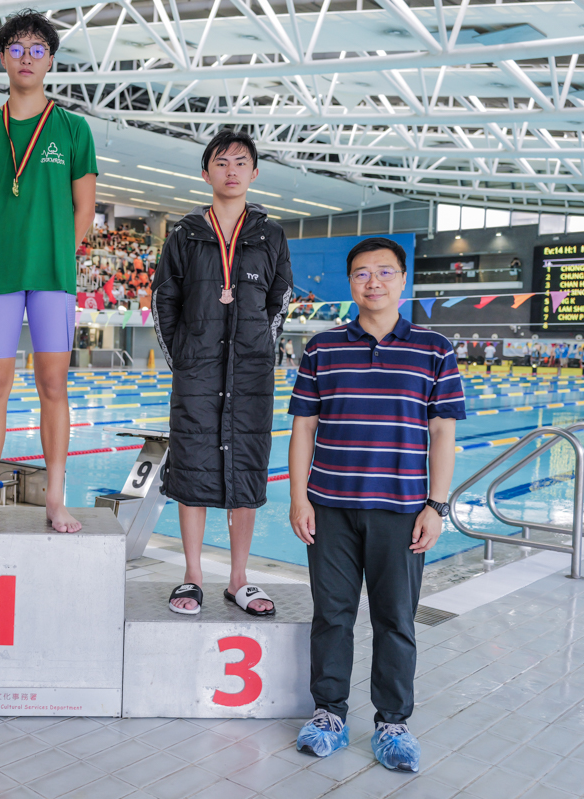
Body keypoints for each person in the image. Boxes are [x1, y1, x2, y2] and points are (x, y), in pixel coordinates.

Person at [288, 237, 464, 773]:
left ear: (403, 280)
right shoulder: (322, 347)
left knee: (396, 619)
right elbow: (303, 428)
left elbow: (442, 432)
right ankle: (328, 714)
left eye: (385, 272)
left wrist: (436, 506)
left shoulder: (434, 348)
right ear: (350, 283)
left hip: (402, 511)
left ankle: (393, 722)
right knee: (331, 616)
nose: (373, 282)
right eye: (362, 273)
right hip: (330, 508)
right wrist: (298, 499)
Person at [0, 9, 98, 533]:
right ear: (3, 58)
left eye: (37, 50)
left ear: (50, 60)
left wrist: (57, 252)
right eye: (17, 48)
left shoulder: (73, 128)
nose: (27, 58)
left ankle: (55, 498)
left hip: (53, 278)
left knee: (53, 384)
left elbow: (85, 208)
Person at [151, 130, 293, 617]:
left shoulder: (271, 235)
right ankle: (192, 575)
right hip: (198, 371)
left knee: (246, 467)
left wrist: (259, 350)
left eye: (240, 162)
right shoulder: (185, 233)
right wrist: (184, 358)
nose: (231, 170)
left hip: (250, 373)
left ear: (254, 173)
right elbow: (164, 299)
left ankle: (238, 579)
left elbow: (280, 299)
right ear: (206, 173)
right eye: (221, 162)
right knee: (192, 466)